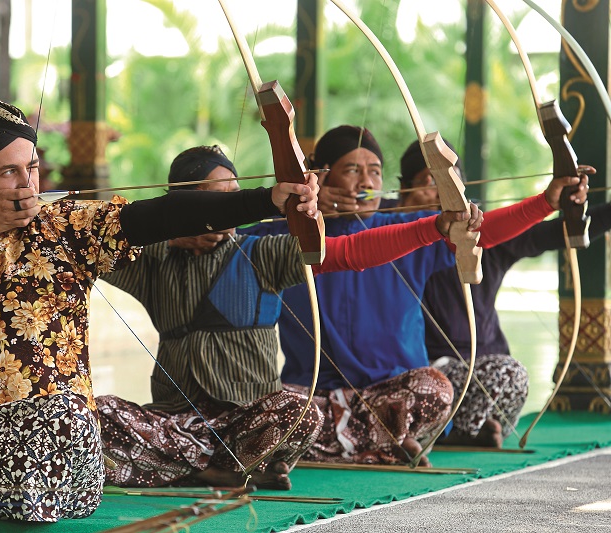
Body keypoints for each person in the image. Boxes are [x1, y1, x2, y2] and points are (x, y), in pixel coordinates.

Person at [0, 101, 320, 521]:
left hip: (52, 455)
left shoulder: (65, 228)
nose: (27, 185)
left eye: (31, 169)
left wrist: (270, 199)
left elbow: (158, 216)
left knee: (64, 421)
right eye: (7, 172)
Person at [96, 145, 482, 489]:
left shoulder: (262, 252)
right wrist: (168, 235)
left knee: (299, 411)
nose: (230, 207)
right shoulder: (150, 260)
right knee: (95, 416)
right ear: (181, 206)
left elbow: (351, 251)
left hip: (251, 422)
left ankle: (207, 465)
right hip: (177, 424)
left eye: (236, 196)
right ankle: (225, 466)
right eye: (216, 199)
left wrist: (435, 227)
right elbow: (84, 240)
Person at [242, 125, 589, 465]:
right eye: (352, 170)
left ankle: (360, 440)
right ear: (321, 177)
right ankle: (378, 442)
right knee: (276, 406)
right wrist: (300, 210)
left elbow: (479, 232)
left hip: (396, 394)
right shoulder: (285, 239)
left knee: (434, 389)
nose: (367, 182)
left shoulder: (404, 230)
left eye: (375, 171)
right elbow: (234, 240)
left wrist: (545, 203)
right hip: (318, 393)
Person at [397, 139, 603, 447]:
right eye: (429, 182)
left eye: (450, 181)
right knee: (493, 377)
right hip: (429, 371)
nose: (441, 192)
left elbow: (553, 234)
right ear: (404, 191)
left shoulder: (484, 232)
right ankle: (457, 432)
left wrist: (568, 207)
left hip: (490, 371)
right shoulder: (396, 235)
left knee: (510, 378)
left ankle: (467, 430)